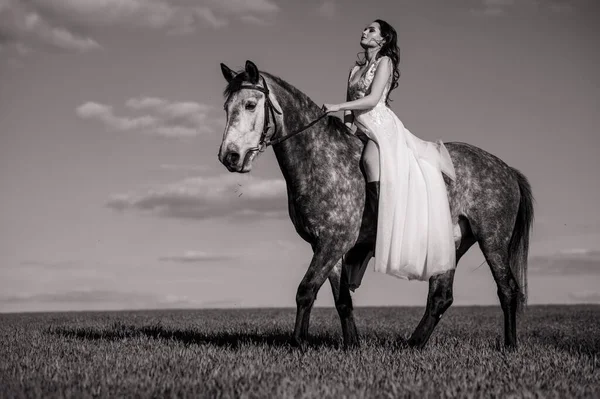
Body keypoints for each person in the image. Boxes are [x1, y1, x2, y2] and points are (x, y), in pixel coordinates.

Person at [322, 19, 457, 289]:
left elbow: (372, 100)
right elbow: (351, 112)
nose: (364, 31)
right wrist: (346, 129)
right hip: (359, 126)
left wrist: (337, 105)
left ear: (382, 40)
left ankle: (377, 226)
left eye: (371, 30)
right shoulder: (354, 69)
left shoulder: (384, 63)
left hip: (379, 124)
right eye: (364, 28)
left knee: (369, 160)